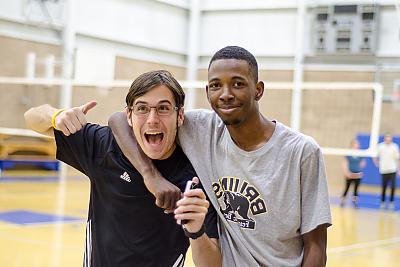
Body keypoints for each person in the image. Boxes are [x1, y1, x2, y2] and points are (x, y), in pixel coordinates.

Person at [109, 46, 332, 266]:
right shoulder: (200, 129)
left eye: (238, 84)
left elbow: (316, 246)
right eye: (216, 85)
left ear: (258, 90)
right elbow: (119, 119)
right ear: (208, 92)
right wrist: (150, 176)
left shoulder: (301, 151)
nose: (226, 94)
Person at [24, 70, 220, 267]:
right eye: (142, 108)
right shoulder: (105, 147)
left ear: (180, 115)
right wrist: (56, 116)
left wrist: (196, 231)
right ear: (129, 116)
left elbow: (213, 264)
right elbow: (31, 117)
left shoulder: (196, 174)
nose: (152, 119)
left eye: (163, 108)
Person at [374, 133, 400, 210]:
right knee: (384, 187)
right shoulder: (380, 146)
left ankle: (391, 202)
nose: (388, 140)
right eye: (387, 138)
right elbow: (375, 156)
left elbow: (397, 159)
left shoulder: (394, 146)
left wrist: (398, 169)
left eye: (390, 138)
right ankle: (382, 202)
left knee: (393, 187)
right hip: (383, 170)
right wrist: (378, 164)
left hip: (393, 169)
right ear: (384, 138)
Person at [340, 139, 366, 208]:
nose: (357, 145)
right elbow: (344, 163)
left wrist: (360, 170)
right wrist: (347, 172)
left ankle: (355, 202)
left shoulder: (360, 153)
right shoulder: (348, 153)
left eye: (357, 144)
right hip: (349, 174)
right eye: (355, 144)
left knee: (356, 189)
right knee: (347, 188)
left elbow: (363, 162)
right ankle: (343, 201)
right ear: (352, 145)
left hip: (357, 174)